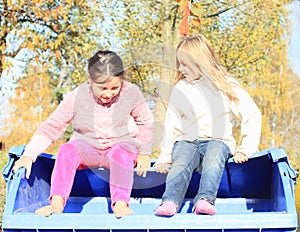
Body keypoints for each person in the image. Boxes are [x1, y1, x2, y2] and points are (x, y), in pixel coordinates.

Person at [13, 50, 154, 218]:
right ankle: (56, 204)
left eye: (114, 87)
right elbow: (52, 126)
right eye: (102, 88)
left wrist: (145, 152)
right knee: (66, 150)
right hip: (88, 147)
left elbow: (145, 122)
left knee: (121, 153)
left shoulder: (131, 93)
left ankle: (121, 204)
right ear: (90, 79)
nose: (108, 94)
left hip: (119, 145)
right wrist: (29, 155)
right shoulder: (78, 96)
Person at [154, 34, 262, 216]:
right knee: (180, 162)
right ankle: (170, 202)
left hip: (217, 139)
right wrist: (164, 156)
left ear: (200, 62)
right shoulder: (181, 88)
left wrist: (246, 148)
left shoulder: (224, 84)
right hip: (187, 140)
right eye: (179, 63)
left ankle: (205, 200)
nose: (180, 68)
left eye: (185, 64)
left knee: (213, 159)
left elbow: (251, 114)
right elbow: (171, 122)